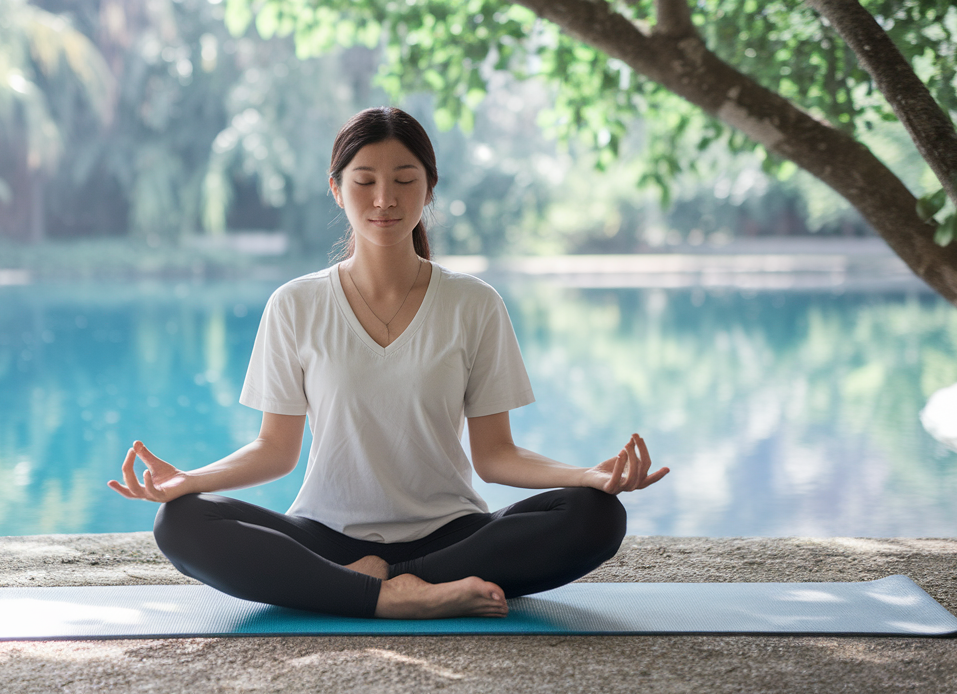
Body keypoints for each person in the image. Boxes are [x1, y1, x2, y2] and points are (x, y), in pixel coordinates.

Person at [108, 106, 669, 620]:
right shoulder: (295, 305)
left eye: (405, 181)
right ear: (336, 189)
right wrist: (189, 480)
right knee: (181, 523)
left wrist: (590, 477)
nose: (385, 199)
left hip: (452, 534)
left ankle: (374, 587)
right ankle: (401, 595)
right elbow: (274, 452)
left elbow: (496, 457)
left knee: (597, 516)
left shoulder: (474, 304)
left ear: (428, 191)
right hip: (326, 533)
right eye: (365, 182)